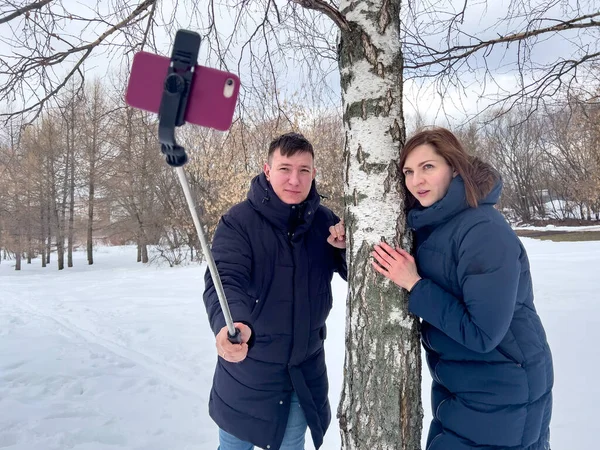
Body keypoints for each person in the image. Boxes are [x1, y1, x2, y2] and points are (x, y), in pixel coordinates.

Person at [371, 127, 553, 450]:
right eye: (409, 172)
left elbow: (483, 332)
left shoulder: (482, 229)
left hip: (502, 392)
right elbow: (392, 272)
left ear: (454, 167)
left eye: (428, 167)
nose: (416, 180)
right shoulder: (433, 226)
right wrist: (344, 247)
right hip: (465, 389)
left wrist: (415, 284)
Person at [203, 132, 347, 450]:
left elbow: (362, 277)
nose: (294, 179)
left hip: (302, 375)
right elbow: (223, 279)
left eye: (304, 170)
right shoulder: (238, 223)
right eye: (285, 168)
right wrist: (232, 323)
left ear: (313, 173)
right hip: (248, 373)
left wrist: (346, 250)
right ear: (267, 170)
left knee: (291, 442)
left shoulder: (326, 223)